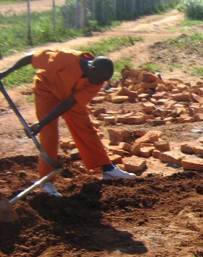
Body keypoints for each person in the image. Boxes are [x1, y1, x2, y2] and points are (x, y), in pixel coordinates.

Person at [0, 48, 136, 197]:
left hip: (70, 97)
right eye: (98, 80)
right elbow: (30, 57)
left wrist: (41, 122)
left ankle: (107, 169)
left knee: (85, 127)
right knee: (49, 133)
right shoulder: (65, 58)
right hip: (46, 89)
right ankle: (47, 181)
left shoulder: (96, 79)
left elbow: (70, 102)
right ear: (92, 68)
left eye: (103, 81)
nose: (99, 84)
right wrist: (5, 73)